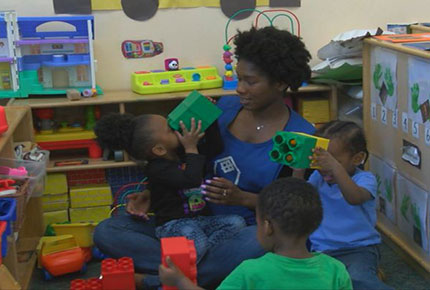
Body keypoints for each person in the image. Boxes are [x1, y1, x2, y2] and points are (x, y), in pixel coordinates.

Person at [93, 25, 315, 289]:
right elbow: (181, 160)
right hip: (188, 219)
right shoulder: (224, 109)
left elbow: (293, 209)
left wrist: (242, 198)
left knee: (262, 242)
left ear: (280, 83)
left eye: (251, 81)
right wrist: (156, 194)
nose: (240, 89)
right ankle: (196, 273)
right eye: (238, 78)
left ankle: (161, 279)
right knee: (108, 231)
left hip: (240, 228)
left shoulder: (299, 135)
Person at [95, 114, 246, 263]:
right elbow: (191, 180)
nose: (175, 128)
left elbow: (215, 147)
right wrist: (191, 148)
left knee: (236, 222)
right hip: (174, 225)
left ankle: (199, 260)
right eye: (169, 129)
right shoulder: (157, 168)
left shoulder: (180, 153)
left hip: (200, 220)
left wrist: (209, 117)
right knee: (196, 241)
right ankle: (190, 265)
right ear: (159, 149)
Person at [159, 177, 353, 290]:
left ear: (268, 227)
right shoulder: (336, 270)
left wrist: (180, 281)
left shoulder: (250, 271)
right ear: (315, 224)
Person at [308, 120, 393, 290]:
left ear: (358, 159)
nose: (324, 168)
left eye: (334, 161)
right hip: (322, 250)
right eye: (320, 162)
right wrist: (298, 168)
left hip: (359, 248)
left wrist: (334, 167)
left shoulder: (365, 179)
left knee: (358, 279)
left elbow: (354, 197)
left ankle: (370, 273)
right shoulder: (317, 179)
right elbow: (298, 198)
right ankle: (371, 273)